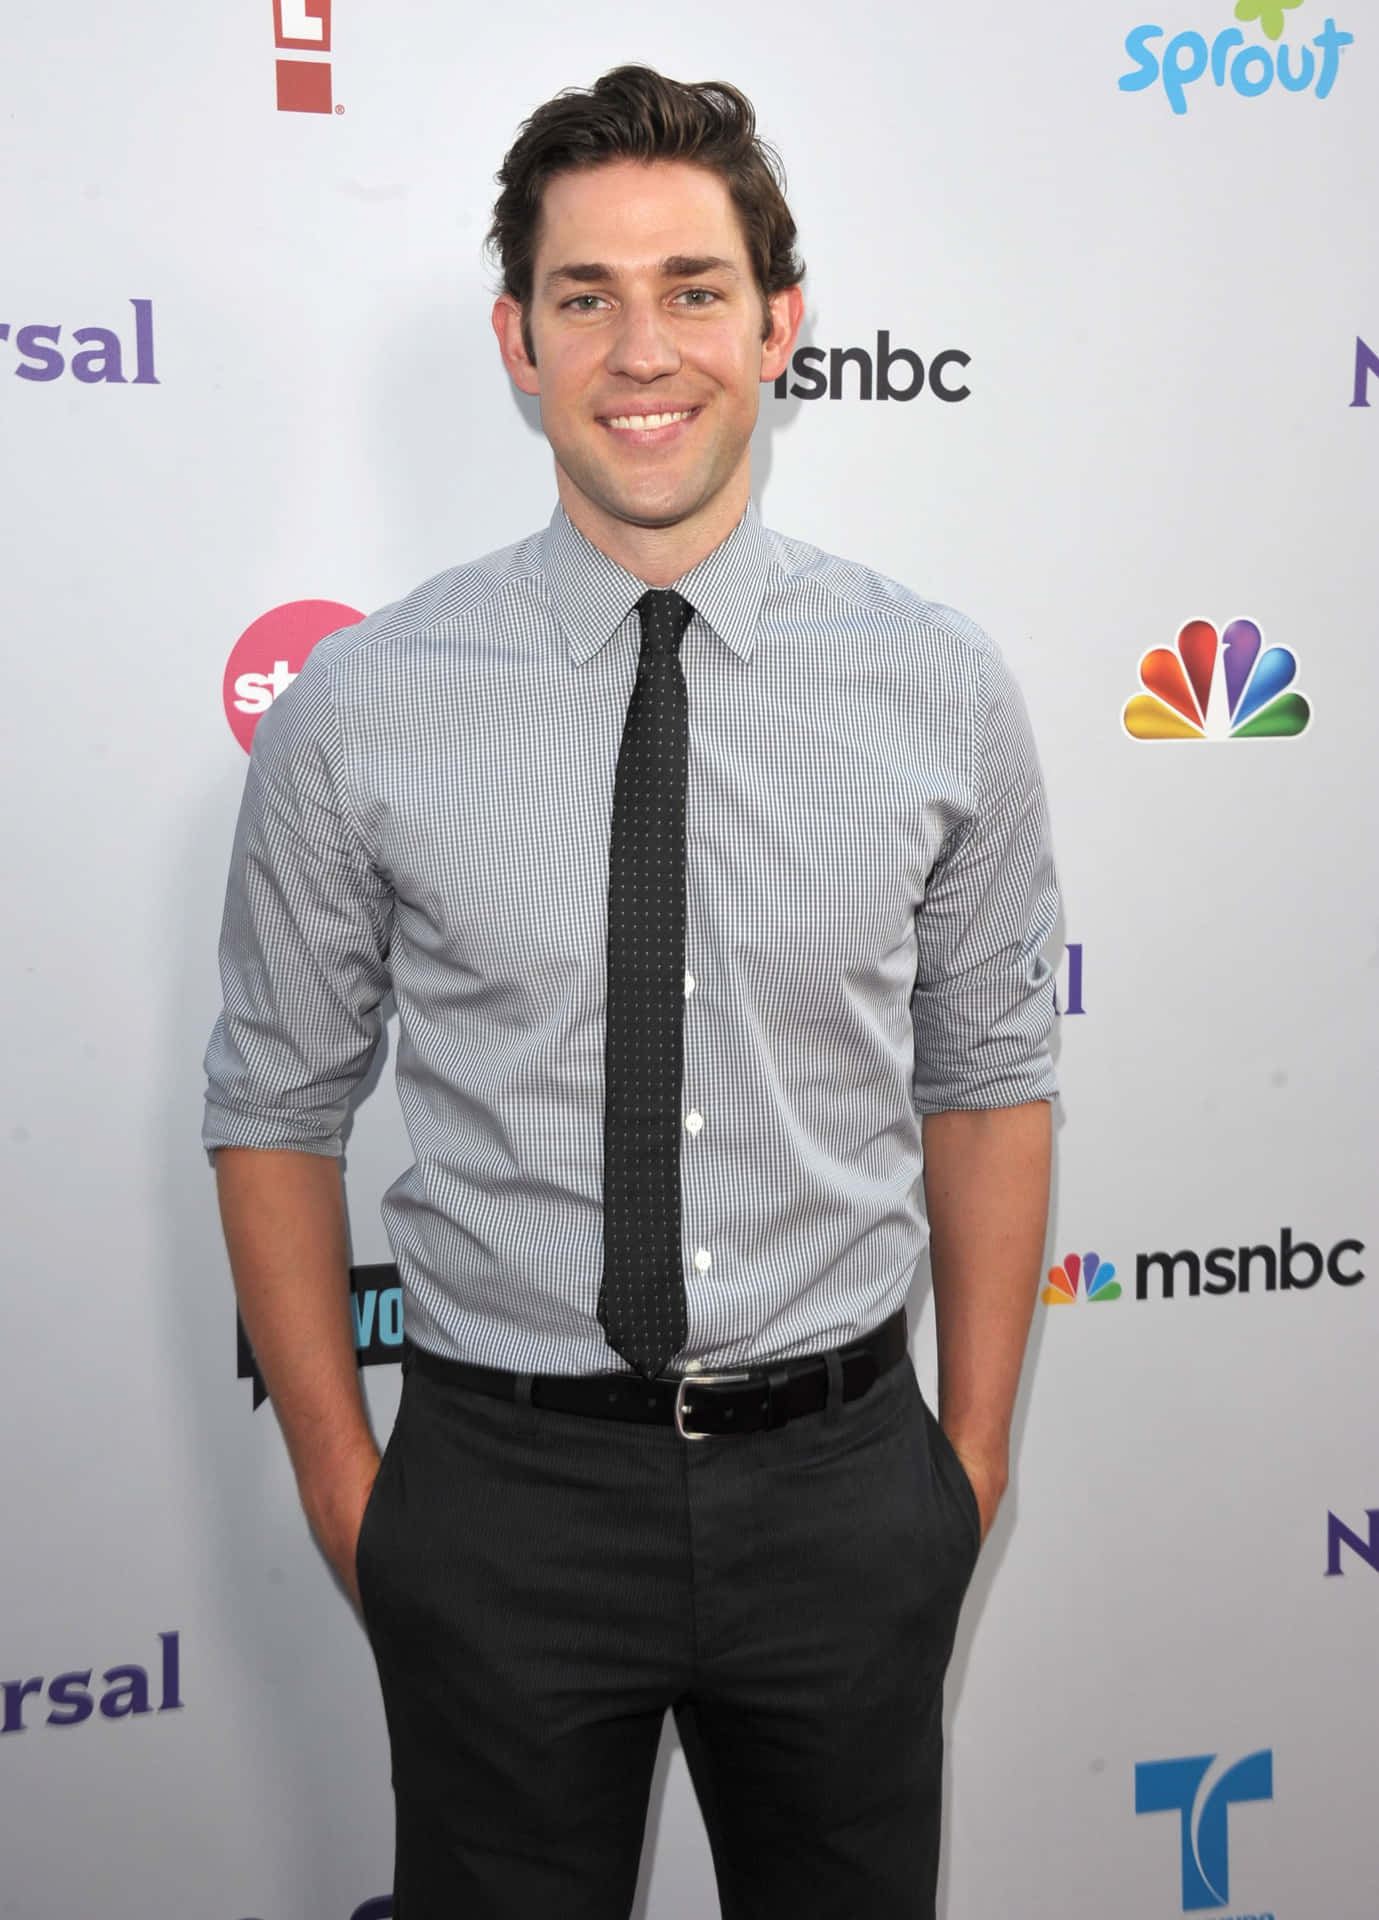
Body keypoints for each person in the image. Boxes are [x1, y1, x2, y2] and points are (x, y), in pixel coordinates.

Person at [204, 64, 1059, 1920]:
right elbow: (274, 1107)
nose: (640, 346)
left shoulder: (937, 689)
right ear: (518, 338)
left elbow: (988, 1075)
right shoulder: (365, 706)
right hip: (501, 1500)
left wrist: (965, 1463)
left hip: (843, 1491)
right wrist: (357, 1500)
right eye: (586, 295)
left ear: (780, 324)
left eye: (690, 286)